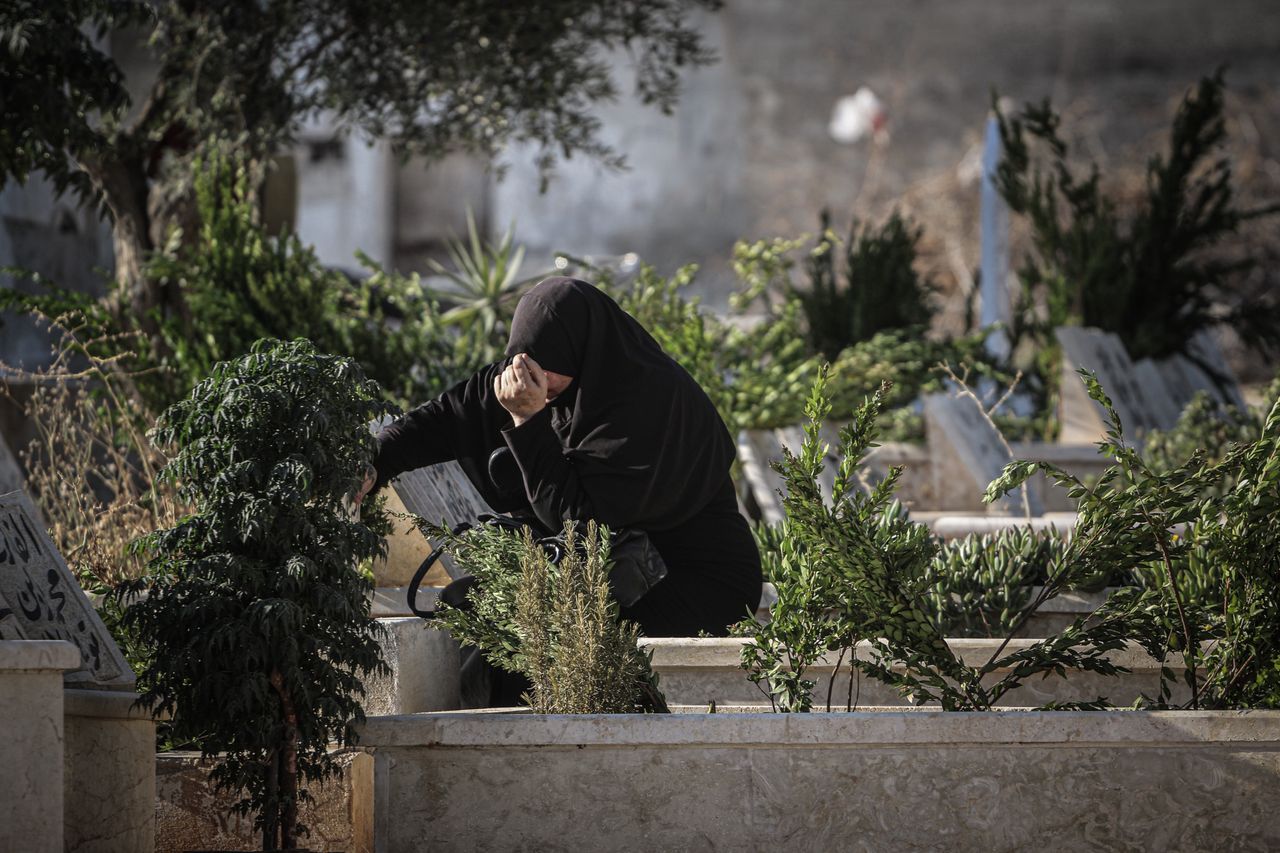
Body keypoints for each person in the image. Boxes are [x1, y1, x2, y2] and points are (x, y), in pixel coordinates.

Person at [357, 276, 762, 638]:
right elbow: (445, 417)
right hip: (614, 575)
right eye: (524, 365)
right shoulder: (533, 373)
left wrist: (526, 419)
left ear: (580, 351)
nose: (534, 382)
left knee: (533, 644)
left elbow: (579, 523)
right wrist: (374, 460)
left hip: (691, 584)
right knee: (473, 612)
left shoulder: (654, 405)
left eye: (546, 371)